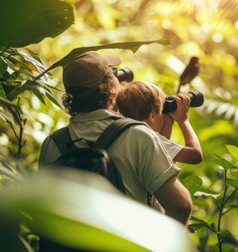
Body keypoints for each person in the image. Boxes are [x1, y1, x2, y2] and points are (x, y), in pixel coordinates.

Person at [38, 51, 192, 226]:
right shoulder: (138, 136)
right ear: (111, 88)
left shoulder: (52, 143)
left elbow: (45, 214)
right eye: (113, 73)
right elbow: (181, 206)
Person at [116, 80, 203, 164]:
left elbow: (163, 156)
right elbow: (196, 155)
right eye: (163, 108)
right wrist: (183, 121)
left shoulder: (128, 135)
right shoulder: (150, 141)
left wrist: (168, 121)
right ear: (152, 116)